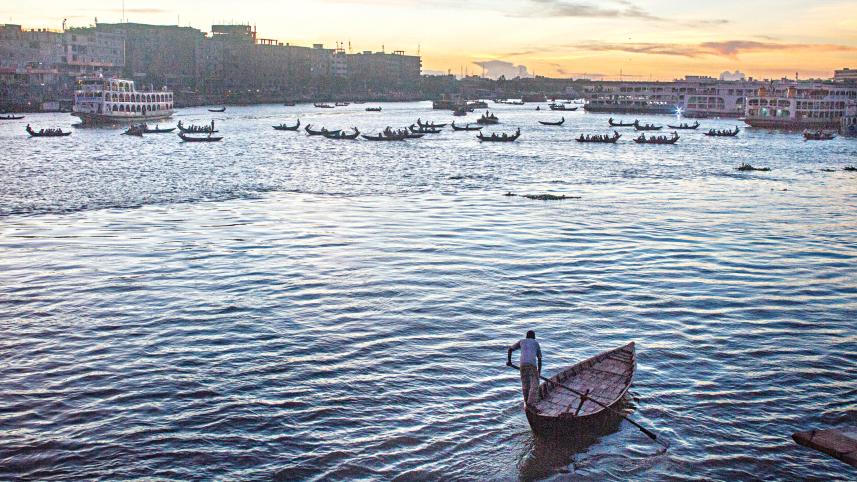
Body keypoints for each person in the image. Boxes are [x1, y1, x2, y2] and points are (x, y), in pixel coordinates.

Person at [507, 330, 542, 407]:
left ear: (526, 337)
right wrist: (538, 373)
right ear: (534, 337)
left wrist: (509, 362)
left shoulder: (521, 341)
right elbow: (539, 358)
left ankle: (526, 402)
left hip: (522, 365)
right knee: (535, 385)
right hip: (532, 365)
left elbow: (510, 349)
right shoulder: (535, 343)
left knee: (525, 385)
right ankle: (530, 403)